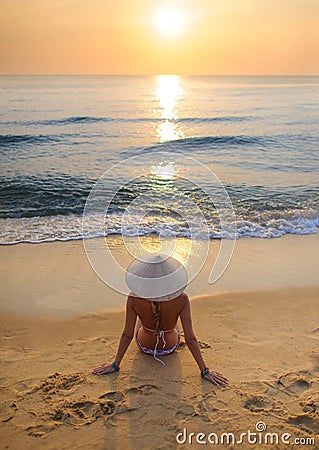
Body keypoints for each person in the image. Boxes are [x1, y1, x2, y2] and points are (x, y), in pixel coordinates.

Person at [92, 253, 228, 386]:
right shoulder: (182, 299)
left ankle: (155, 327)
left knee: (141, 322)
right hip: (169, 347)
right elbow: (190, 338)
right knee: (175, 325)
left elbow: (127, 335)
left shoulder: (134, 298)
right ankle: (166, 329)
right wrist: (205, 371)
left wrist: (115, 364)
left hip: (145, 347)